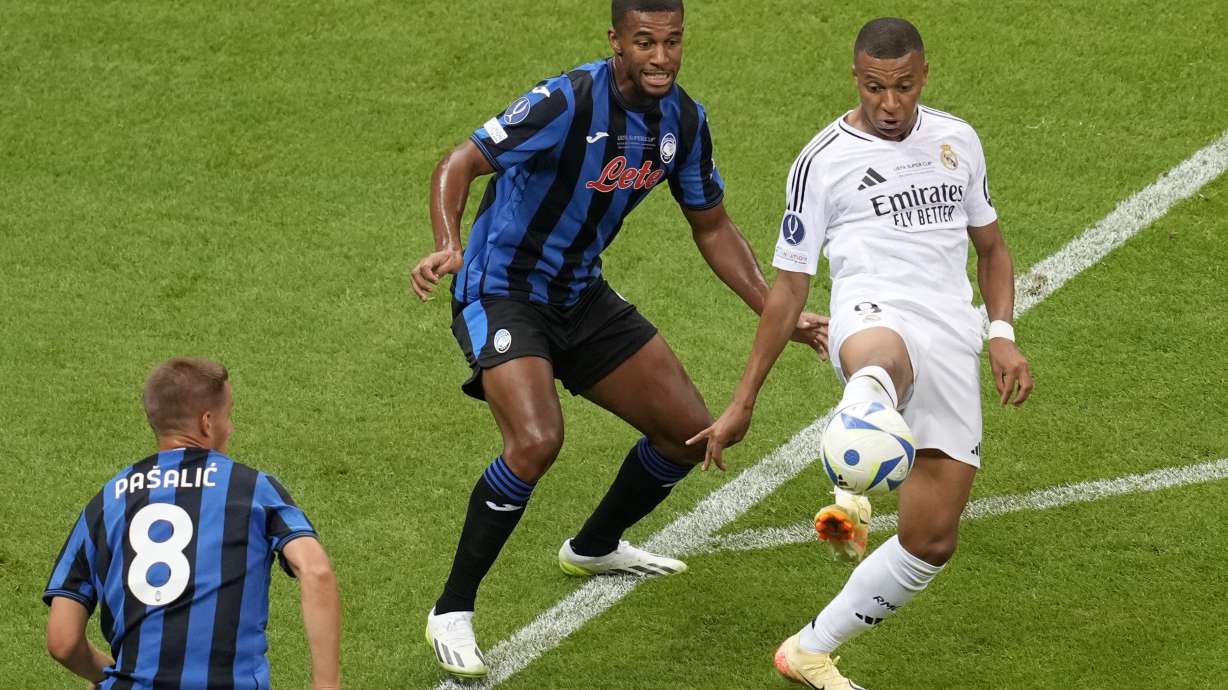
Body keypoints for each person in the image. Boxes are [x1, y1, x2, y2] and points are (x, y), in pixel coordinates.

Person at [409, 0, 828, 679]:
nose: (661, 57)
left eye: (672, 42)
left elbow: (713, 227)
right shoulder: (566, 102)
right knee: (537, 440)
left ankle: (596, 544)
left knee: (691, 431)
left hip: (579, 294)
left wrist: (776, 311)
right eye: (644, 42)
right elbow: (459, 163)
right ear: (615, 42)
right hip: (500, 289)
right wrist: (449, 245)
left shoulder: (683, 122)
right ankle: (452, 609)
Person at [689, 17, 1033, 689]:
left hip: (952, 334)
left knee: (932, 538)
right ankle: (852, 470)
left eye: (903, 87)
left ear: (923, 77)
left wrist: (1001, 334)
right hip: (870, 313)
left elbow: (991, 249)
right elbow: (789, 288)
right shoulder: (822, 161)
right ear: (857, 79)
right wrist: (742, 399)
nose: (890, 103)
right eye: (876, 87)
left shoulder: (957, 140)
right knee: (882, 363)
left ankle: (810, 650)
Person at [43, 358, 342, 690]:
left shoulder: (108, 500)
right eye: (229, 415)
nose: (232, 427)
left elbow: (62, 641)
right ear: (207, 423)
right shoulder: (252, 490)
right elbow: (316, 571)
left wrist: (106, 674)